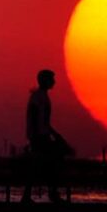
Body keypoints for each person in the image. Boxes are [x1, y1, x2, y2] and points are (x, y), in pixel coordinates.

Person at [25, 69, 74, 205]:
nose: (54, 82)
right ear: (45, 81)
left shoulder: (41, 96)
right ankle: (52, 194)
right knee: (53, 161)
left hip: (41, 135)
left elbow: (45, 122)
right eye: (52, 79)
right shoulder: (39, 97)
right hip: (39, 137)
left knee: (43, 166)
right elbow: (37, 119)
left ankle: (48, 193)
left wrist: (55, 135)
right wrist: (36, 137)